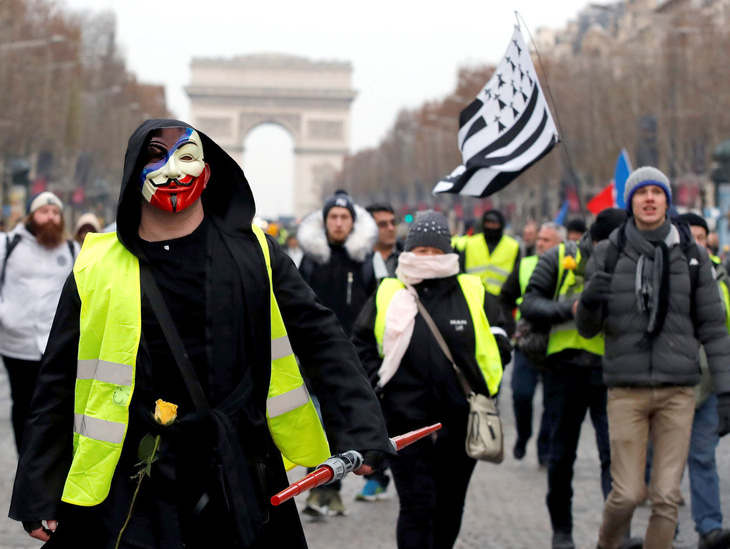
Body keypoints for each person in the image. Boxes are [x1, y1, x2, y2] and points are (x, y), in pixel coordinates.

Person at [8, 119, 393, 549]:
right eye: (155, 155)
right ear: (132, 169)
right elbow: (58, 380)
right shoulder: (94, 265)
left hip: (239, 474)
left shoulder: (258, 253)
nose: (172, 169)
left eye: (186, 156)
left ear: (208, 172)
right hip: (133, 482)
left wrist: (360, 424)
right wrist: (38, 485)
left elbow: (321, 336)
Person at [576, 167, 730, 549]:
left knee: (666, 497)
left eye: (656, 192)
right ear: (630, 202)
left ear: (666, 200)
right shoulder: (608, 253)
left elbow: (713, 326)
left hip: (678, 392)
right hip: (626, 391)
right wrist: (591, 298)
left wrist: (726, 392)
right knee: (627, 494)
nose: (649, 198)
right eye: (641, 192)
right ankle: (607, 544)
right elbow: (587, 329)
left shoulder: (693, 255)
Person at [352, 210, 512, 549]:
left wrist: (486, 378)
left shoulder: (473, 290)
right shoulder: (387, 291)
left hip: (460, 422)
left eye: (434, 251)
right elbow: (361, 343)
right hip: (404, 422)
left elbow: (499, 335)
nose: (426, 258)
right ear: (408, 251)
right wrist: (377, 386)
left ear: (447, 252)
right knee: (417, 506)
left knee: (450, 505)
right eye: (420, 251)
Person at [521, 210, 628, 549]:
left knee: (613, 457)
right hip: (563, 369)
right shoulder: (559, 257)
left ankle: (618, 535)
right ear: (591, 238)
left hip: (610, 370)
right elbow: (530, 304)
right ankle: (561, 532)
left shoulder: (629, 260)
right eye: (600, 244)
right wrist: (573, 309)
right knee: (561, 456)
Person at [297, 189, 378, 517]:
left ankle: (331, 488)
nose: (339, 223)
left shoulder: (368, 260)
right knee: (317, 421)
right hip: (314, 353)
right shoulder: (311, 259)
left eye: (345, 217)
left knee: (342, 423)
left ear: (353, 222)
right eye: (334, 217)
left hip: (351, 355)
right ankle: (319, 487)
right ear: (325, 220)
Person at [0, 191, 78, 452]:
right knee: (21, 403)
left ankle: (45, 457)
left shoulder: (71, 250)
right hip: (15, 344)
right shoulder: (9, 244)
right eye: (45, 211)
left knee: (53, 405)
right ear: (32, 216)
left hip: (56, 346)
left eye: (56, 212)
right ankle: (25, 454)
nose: (51, 217)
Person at [676, 213, 730, 549]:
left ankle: (710, 527)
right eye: (689, 235)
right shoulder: (666, 271)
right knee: (663, 463)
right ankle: (664, 527)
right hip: (672, 380)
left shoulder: (721, 276)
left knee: (702, 456)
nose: (696, 242)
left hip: (709, 382)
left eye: (701, 236)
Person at [499, 221, 565, 468]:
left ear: (560, 244)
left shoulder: (570, 268)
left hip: (556, 345)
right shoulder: (525, 265)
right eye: (539, 239)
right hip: (527, 343)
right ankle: (523, 435)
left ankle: (544, 449)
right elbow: (505, 298)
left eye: (546, 240)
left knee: (552, 403)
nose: (539, 243)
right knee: (521, 394)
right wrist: (510, 328)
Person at [460, 209, 521, 296]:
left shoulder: (513, 246)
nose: (491, 226)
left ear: (501, 225)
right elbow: (462, 269)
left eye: (494, 223)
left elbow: (517, 276)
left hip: (502, 299)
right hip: (473, 296)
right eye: (488, 223)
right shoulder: (471, 243)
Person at [365, 203, 401, 284]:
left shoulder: (407, 257)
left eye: (393, 223)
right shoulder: (359, 263)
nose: (391, 228)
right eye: (383, 225)